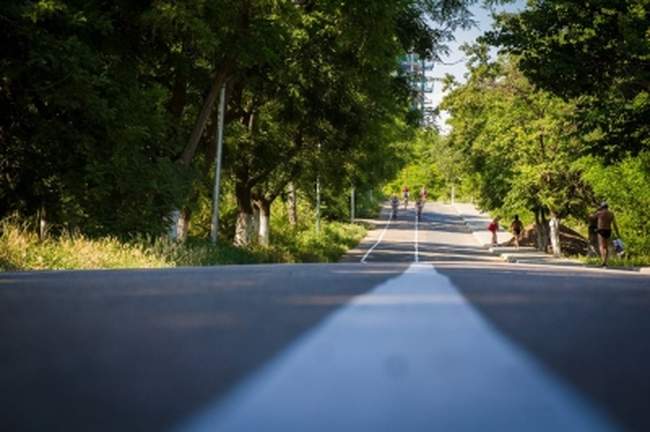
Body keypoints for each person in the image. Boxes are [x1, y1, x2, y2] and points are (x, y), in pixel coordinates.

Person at [593, 202, 620, 267]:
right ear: (607, 207)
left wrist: (597, 210)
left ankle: (603, 261)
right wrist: (618, 233)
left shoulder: (599, 213)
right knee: (606, 247)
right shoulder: (611, 214)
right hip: (608, 230)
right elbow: (614, 224)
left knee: (601, 246)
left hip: (601, 230)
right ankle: (606, 261)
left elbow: (592, 218)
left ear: (602, 207)